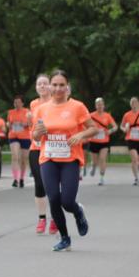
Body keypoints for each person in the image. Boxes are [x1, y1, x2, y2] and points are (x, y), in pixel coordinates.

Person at [31, 70, 97, 252]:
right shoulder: (41, 109)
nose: (58, 88)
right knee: (53, 198)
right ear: (50, 86)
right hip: (48, 158)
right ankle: (65, 237)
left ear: (67, 87)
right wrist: (38, 132)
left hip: (70, 158)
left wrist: (81, 135)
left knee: (67, 201)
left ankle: (78, 213)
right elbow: (34, 135)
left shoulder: (77, 107)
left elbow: (93, 129)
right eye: (55, 84)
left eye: (62, 85)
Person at [27, 74, 57, 235]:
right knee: (39, 183)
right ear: (36, 87)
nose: (43, 86)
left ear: (50, 86)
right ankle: (41, 218)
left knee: (51, 184)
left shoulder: (56, 103)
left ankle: (54, 218)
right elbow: (32, 126)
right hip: (36, 147)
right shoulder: (33, 104)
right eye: (39, 84)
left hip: (53, 147)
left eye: (45, 83)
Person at [87, 98, 118, 185]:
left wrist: (110, 131)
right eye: (98, 104)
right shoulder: (91, 115)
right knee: (94, 161)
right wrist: (90, 132)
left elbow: (115, 126)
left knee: (102, 159)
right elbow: (85, 126)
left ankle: (101, 177)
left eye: (101, 104)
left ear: (104, 106)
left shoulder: (107, 116)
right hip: (93, 141)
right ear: (95, 106)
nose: (100, 106)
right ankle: (93, 166)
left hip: (104, 141)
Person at [120, 97, 139, 186]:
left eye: (135, 103)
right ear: (130, 105)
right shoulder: (127, 115)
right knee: (134, 159)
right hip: (130, 139)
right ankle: (136, 178)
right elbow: (122, 126)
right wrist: (124, 129)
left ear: (138, 104)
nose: (133, 104)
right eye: (132, 103)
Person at [6, 95, 31, 188]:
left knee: (24, 158)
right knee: (15, 156)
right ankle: (15, 179)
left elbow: (31, 123)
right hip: (13, 135)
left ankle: (21, 178)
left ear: (22, 103)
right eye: (15, 102)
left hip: (25, 136)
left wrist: (25, 124)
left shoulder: (27, 112)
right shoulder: (10, 112)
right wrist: (8, 124)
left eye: (18, 102)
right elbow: (8, 122)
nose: (16, 104)